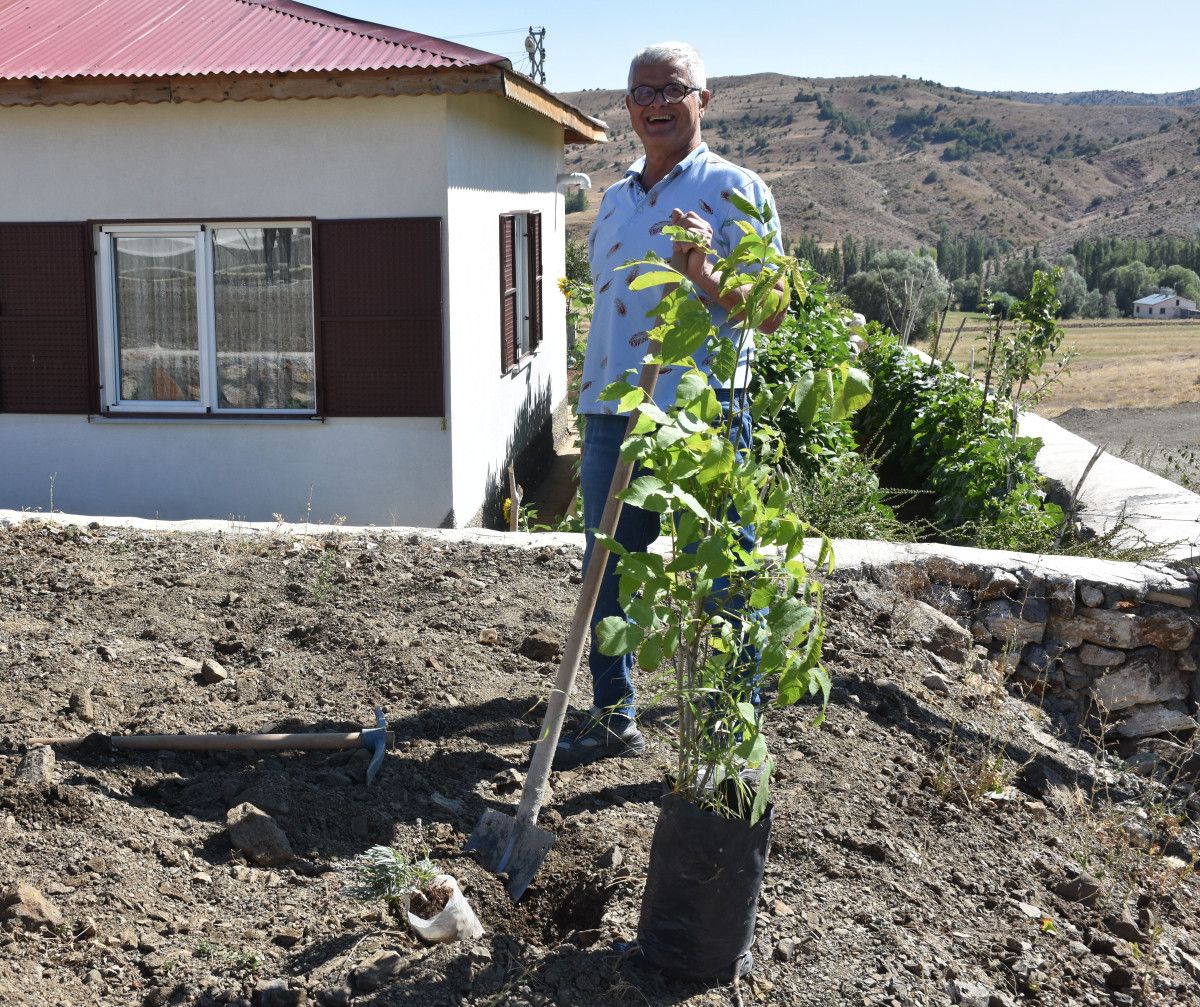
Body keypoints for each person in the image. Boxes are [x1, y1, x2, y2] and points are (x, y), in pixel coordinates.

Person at [554, 41, 785, 770]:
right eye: (643, 92)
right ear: (628, 106)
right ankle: (612, 715)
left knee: (723, 575)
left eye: (673, 89)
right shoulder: (614, 199)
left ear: (702, 100)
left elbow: (773, 312)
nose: (656, 104)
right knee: (606, 570)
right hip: (611, 412)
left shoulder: (738, 190)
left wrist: (705, 270)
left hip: (703, 411)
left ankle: (729, 741)